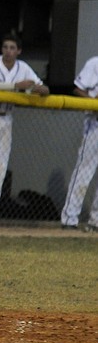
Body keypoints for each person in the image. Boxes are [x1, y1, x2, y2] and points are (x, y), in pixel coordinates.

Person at [0, 34, 48, 226]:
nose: (8, 51)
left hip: (5, 120)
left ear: (19, 51)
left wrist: (35, 88)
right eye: (5, 47)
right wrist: (15, 86)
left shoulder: (23, 68)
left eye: (12, 48)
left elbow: (44, 89)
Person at [60, 56, 98, 231]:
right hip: (94, 124)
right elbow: (78, 89)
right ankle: (70, 218)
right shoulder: (94, 63)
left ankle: (96, 221)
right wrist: (93, 101)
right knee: (84, 171)